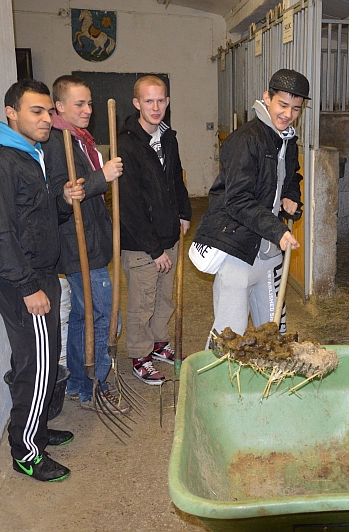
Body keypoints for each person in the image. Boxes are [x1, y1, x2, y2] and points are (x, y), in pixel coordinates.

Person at [0, 79, 85, 482]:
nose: (46, 120)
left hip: (38, 273)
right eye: (35, 112)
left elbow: (32, 219)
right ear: (11, 113)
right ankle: (26, 451)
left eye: (48, 112)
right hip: (25, 280)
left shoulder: (28, 154)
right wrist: (27, 288)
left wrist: (62, 201)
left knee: (39, 358)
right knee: (36, 366)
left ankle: (35, 430)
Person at [191, 69, 305, 340]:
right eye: (283, 105)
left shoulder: (287, 141)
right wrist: (278, 231)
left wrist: (291, 198)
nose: (288, 114)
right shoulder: (245, 140)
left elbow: (290, 177)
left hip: (267, 254)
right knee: (231, 336)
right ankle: (220, 380)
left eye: (296, 109)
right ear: (267, 98)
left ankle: (267, 382)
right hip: (238, 250)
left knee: (273, 334)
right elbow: (238, 201)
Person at [42, 75, 129, 413]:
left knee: (83, 315)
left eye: (90, 103)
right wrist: (101, 176)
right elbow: (61, 192)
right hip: (77, 244)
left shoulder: (79, 140)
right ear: (59, 106)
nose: (88, 110)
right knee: (107, 315)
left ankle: (80, 383)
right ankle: (98, 385)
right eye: (79, 104)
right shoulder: (55, 142)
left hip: (91, 240)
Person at [118, 75, 191, 385]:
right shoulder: (127, 143)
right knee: (142, 302)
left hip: (168, 233)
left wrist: (184, 213)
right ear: (137, 104)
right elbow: (129, 205)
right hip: (141, 244)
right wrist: (154, 249)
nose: (156, 106)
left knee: (164, 298)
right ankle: (139, 355)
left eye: (161, 100)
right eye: (149, 101)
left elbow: (175, 178)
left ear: (168, 102)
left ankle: (159, 344)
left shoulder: (168, 137)